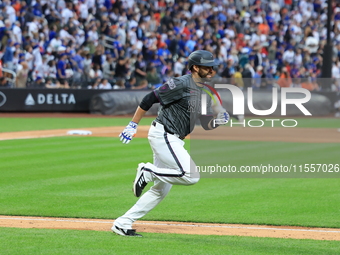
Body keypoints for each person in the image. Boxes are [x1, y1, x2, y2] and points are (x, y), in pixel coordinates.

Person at [112, 50, 229, 237]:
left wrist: (218, 120)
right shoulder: (181, 83)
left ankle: (123, 222)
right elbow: (149, 98)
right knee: (191, 176)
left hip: (173, 139)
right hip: (164, 134)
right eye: (207, 66)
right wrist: (133, 124)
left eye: (212, 67)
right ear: (195, 67)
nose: (211, 70)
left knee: (160, 191)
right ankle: (147, 171)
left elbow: (206, 124)